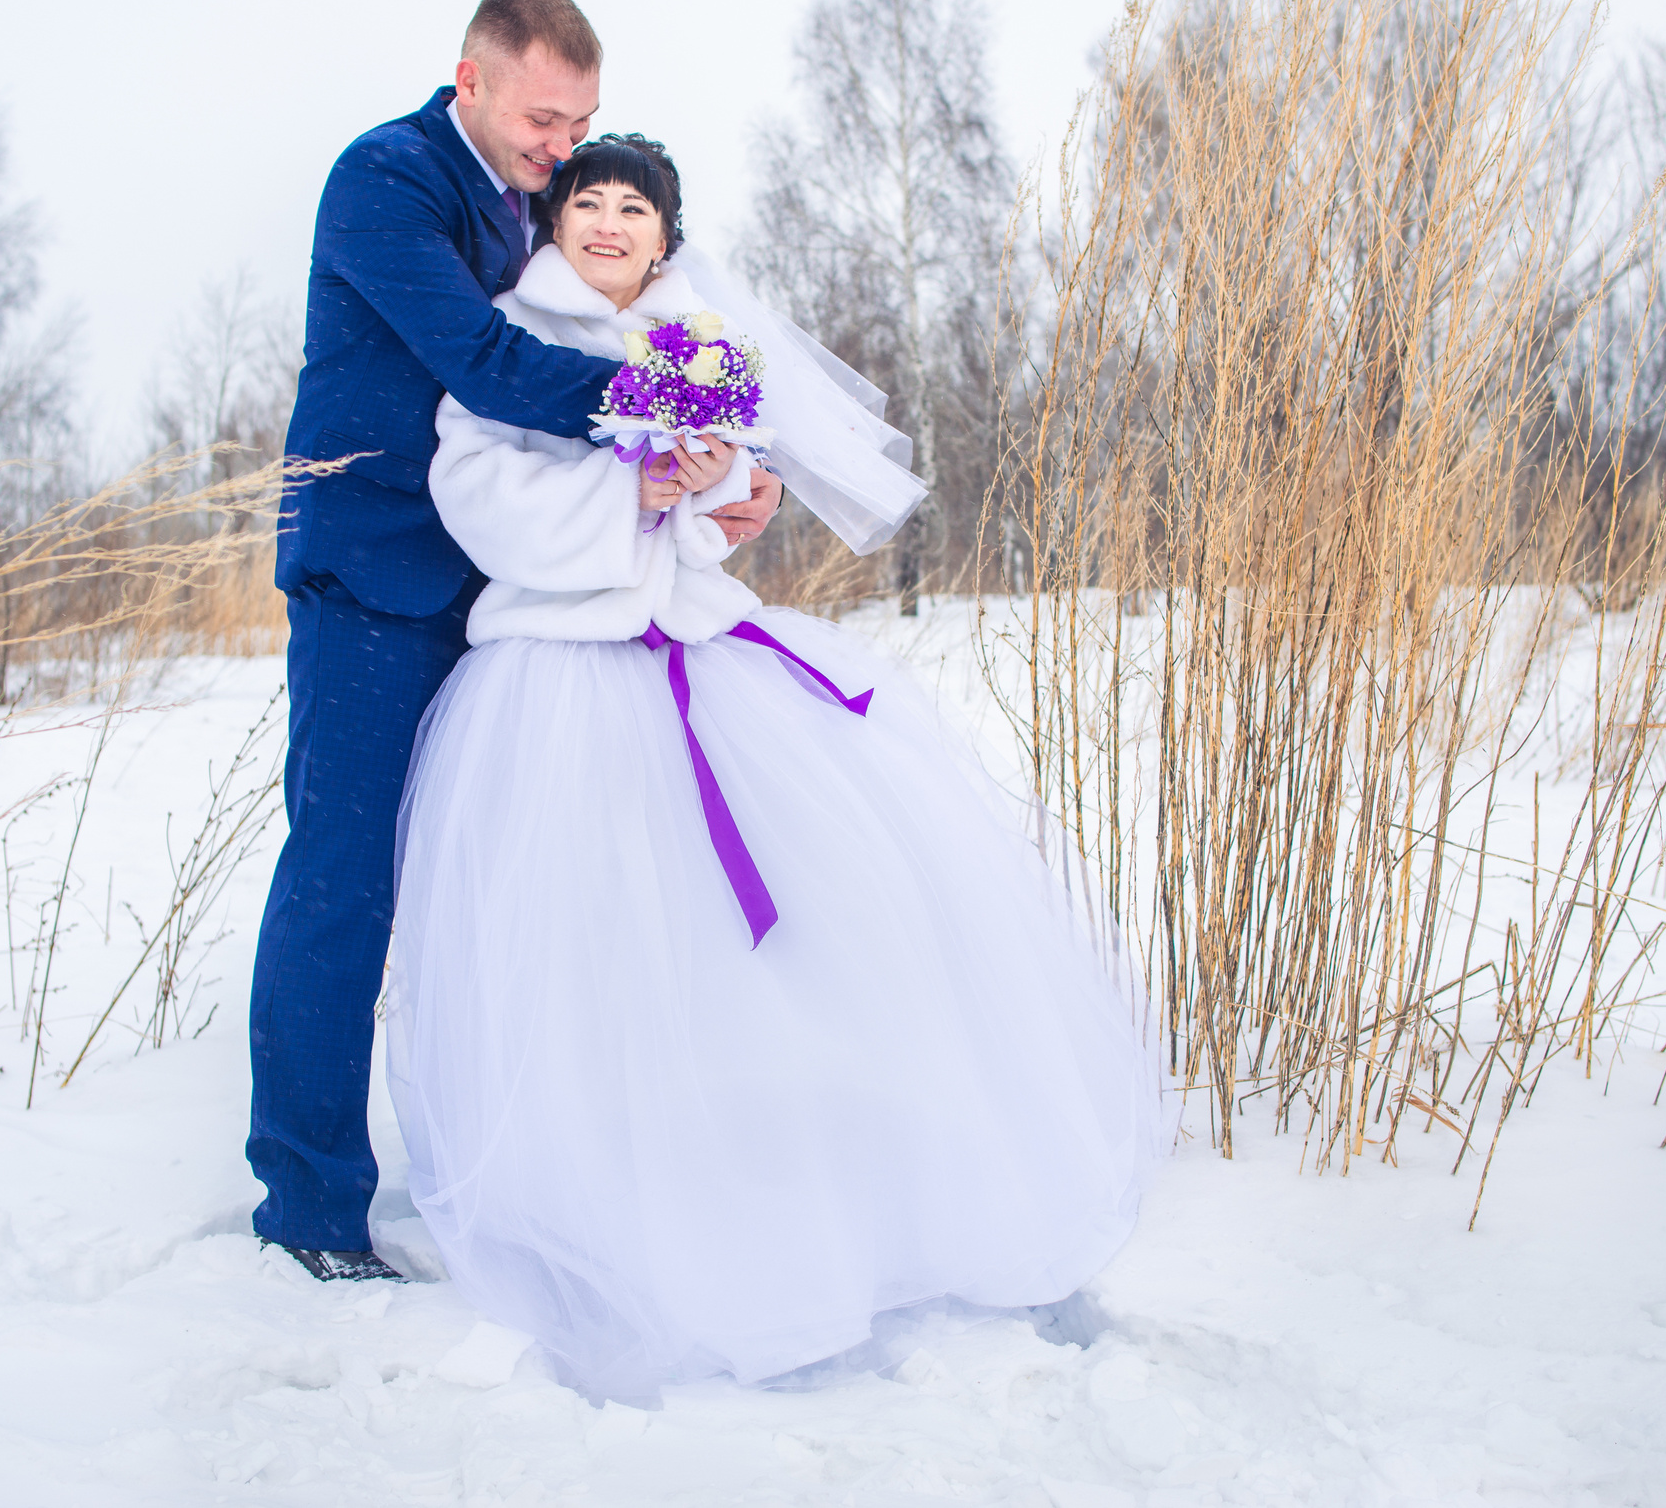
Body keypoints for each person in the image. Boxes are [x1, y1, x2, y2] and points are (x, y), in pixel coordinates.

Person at [385, 133, 1163, 1398]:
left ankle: (761, 1161)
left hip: (686, 648)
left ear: (666, 234)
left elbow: (725, 513)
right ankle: (585, 1175)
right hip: (554, 670)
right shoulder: (505, 337)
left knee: (760, 918)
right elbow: (479, 497)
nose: (609, 227)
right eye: (588, 202)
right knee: (582, 928)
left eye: (635, 209)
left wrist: (716, 486)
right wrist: (628, 501)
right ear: (554, 221)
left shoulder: (697, 340)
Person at [250, 0, 784, 1281]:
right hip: (376, 577)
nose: (566, 144)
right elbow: (486, 365)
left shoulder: (530, 207)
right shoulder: (387, 178)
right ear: (471, 81)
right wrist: (675, 400)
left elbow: (603, 316)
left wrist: (721, 470)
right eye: (546, 117)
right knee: (348, 881)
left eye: (584, 121)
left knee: (489, 892)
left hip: (507, 596)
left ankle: (502, 1162)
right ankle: (311, 1209)